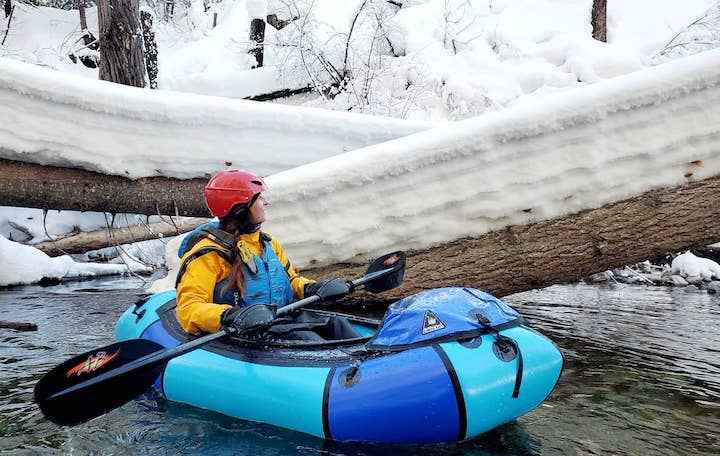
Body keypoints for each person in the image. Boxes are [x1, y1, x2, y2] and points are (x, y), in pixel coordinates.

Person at [175, 169, 348, 336]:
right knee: (307, 339)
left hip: (280, 320)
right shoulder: (209, 254)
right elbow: (189, 309)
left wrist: (311, 288)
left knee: (337, 324)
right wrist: (231, 316)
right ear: (240, 208)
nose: (265, 202)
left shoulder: (268, 243)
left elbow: (289, 281)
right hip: (246, 332)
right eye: (258, 198)